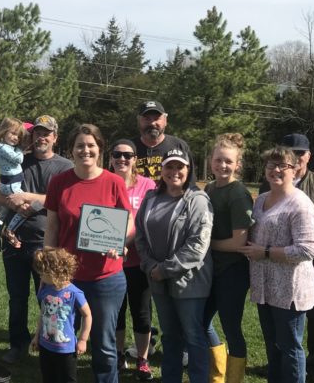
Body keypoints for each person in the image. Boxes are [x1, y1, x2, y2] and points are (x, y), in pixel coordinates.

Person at [44, 124, 134, 383]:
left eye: (91, 145)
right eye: (80, 145)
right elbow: (52, 228)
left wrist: (121, 241)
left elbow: (129, 222)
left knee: (104, 345)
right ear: (71, 150)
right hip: (66, 278)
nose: (86, 150)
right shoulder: (59, 183)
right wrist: (49, 270)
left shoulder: (114, 182)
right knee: (62, 339)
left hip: (106, 278)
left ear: (100, 149)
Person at [260, 134, 314, 383]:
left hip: (312, 261)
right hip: (277, 267)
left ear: (308, 156)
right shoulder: (269, 186)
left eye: (300, 153)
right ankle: (282, 365)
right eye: (291, 152)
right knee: (283, 327)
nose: (296, 158)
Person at [0, 114, 73, 364]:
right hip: (15, 240)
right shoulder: (17, 160)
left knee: (50, 297)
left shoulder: (65, 167)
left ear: (55, 138)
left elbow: (62, 203)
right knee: (17, 297)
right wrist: (13, 204)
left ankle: (50, 345)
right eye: (38, 132)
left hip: (47, 243)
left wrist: (29, 197)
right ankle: (18, 344)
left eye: (46, 133)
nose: (41, 137)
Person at [239, 147, 314, 383]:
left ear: (295, 170)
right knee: (273, 347)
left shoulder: (300, 205)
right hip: (265, 288)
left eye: (282, 166)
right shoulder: (262, 199)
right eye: (271, 165)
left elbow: (308, 249)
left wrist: (263, 252)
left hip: (289, 290)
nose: (275, 170)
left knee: (290, 347)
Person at [134, 148, 213, 383]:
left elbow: (198, 245)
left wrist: (163, 269)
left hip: (189, 283)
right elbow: (140, 235)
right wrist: (150, 266)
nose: (174, 172)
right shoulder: (151, 197)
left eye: (180, 167)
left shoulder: (198, 200)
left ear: (189, 170)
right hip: (158, 281)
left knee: (193, 335)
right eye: (169, 166)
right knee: (170, 336)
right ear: (162, 170)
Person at [202, 134, 254, 383]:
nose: (223, 166)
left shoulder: (238, 193)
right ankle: (217, 377)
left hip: (232, 272)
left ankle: (233, 379)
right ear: (211, 162)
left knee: (232, 329)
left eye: (228, 162)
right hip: (211, 270)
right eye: (218, 160)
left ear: (237, 165)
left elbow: (238, 243)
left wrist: (205, 245)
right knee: (200, 322)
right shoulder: (210, 188)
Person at [109, 139, 157, 381]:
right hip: (111, 262)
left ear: (135, 159)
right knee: (116, 312)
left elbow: (149, 220)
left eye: (128, 155)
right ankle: (118, 355)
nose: (122, 159)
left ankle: (142, 359)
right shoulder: (104, 183)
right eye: (117, 154)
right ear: (110, 158)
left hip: (140, 262)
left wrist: (125, 243)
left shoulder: (148, 186)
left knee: (141, 313)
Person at [30, 248, 92, 383]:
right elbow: (43, 313)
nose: (40, 276)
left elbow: (87, 315)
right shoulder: (46, 289)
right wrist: (36, 336)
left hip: (66, 350)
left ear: (54, 273)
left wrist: (82, 340)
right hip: (45, 346)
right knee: (48, 378)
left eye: (42, 273)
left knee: (67, 379)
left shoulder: (74, 293)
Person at [131, 100, 195, 184]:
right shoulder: (127, 148)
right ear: (139, 121)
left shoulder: (179, 146)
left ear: (165, 121)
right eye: (147, 119)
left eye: (157, 118)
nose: (152, 123)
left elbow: (190, 182)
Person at [0, 117, 27, 233]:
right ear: (4, 131)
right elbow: (19, 159)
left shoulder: (1, 147)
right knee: (26, 207)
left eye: (18, 136)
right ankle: (10, 230)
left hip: (9, 183)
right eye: (13, 133)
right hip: (11, 184)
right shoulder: (2, 147)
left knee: (5, 211)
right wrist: (20, 149)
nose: (16, 138)